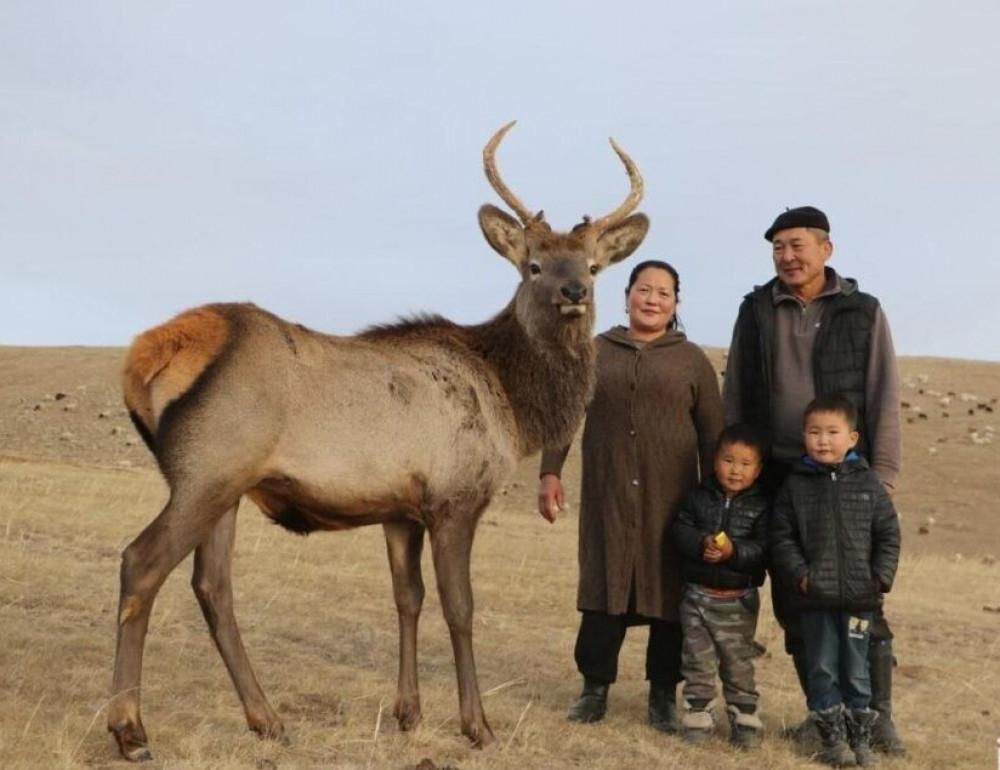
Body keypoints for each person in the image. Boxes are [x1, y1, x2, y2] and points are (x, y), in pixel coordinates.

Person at [721, 205, 906, 753]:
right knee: (796, 596)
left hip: (848, 477)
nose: (787, 256)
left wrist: (884, 475)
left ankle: (877, 719)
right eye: (778, 246)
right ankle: (822, 716)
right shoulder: (755, 309)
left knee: (861, 598)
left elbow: (883, 392)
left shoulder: (862, 311)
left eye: (797, 244)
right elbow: (735, 393)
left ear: (826, 249)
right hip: (778, 474)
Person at [537, 259, 724, 733]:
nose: (653, 299)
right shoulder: (594, 350)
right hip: (609, 491)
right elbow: (564, 415)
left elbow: (712, 436)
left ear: (675, 303)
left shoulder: (691, 360)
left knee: (668, 591)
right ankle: (593, 688)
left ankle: (662, 693)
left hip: (673, 498)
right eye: (644, 289)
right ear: (627, 295)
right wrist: (550, 473)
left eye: (664, 293)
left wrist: (716, 496)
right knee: (604, 584)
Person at [770, 394, 901, 767]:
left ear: (853, 438)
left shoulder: (869, 484)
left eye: (832, 432)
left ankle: (861, 741)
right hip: (816, 599)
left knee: (858, 672)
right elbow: (782, 536)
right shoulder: (795, 486)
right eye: (814, 432)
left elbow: (889, 534)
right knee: (823, 667)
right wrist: (801, 576)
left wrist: (880, 577)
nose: (822, 440)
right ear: (803, 437)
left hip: (861, 600)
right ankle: (833, 742)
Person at [671, 423, 769, 749]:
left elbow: (763, 549)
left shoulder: (761, 507)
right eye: (728, 460)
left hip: (738, 600)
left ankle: (744, 717)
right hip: (697, 597)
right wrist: (702, 543)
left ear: (758, 470)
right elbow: (679, 531)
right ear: (715, 461)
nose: (735, 470)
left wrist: (733, 552)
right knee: (697, 660)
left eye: (745, 463)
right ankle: (698, 715)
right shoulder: (698, 497)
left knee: (737, 661)